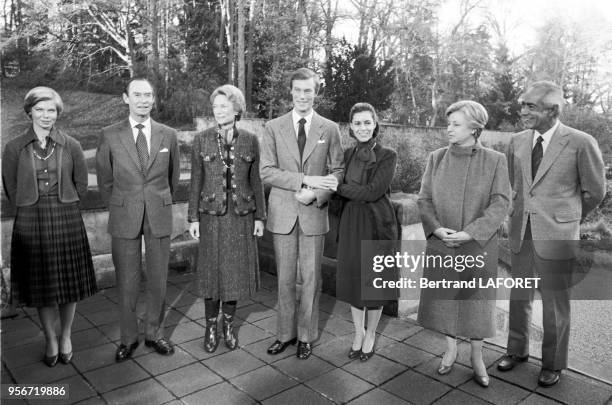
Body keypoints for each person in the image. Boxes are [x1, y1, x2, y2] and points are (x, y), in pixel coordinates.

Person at [498, 81, 606, 387]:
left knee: (555, 302)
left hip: (558, 234)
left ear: (552, 109)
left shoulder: (581, 142)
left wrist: (567, 219)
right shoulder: (516, 141)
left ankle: (553, 363)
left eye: (530, 106)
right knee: (519, 295)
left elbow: (595, 191)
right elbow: (512, 185)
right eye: (522, 105)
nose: (523, 111)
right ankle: (516, 351)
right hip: (521, 231)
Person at [417, 100, 511, 387]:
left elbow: (501, 202)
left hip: (477, 245)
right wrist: (436, 229)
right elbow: (424, 199)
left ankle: (477, 356)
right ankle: (450, 349)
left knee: (476, 304)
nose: (449, 129)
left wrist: (472, 232)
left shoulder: (495, 160)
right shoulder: (436, 158)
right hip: (442, 243)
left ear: (475, 128)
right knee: (444, 301)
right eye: (449, 124)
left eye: (456, 124)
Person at [2, 87, 98, 367]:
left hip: (65, 217)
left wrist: (65, 202)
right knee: (42, 286)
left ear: (58, 113)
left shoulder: (72, 145)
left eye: (52, 110)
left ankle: (66, 336)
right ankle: (50, 340)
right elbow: (11, 187)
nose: (46, 116)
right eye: (40, 110)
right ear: (29, 111)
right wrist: (32, 203)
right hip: (31, 219)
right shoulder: (14, 147)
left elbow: (81, 183)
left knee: (68, 285)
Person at [260, 68, 344, 360]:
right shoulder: (273, 126)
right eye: (298, 90)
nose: (303, 96)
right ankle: (285, 335)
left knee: (311, 278)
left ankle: (306, 336)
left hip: (313, 214)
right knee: (283, 279)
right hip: (283, 213)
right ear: (291, 91)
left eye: (308, 90)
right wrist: (305, 181)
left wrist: (317, 194)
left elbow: (337, 171)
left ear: (315, 92)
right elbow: (267, 171)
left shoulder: (329, 128)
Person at [96, 77, 180, 362]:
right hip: (124, 214)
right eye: (137, 95)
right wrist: (124, 203)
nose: (143, 100)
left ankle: (155, 334)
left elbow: (173, 176)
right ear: (125, 98)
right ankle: (128, 339)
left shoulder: (168, 134)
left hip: (158, 212)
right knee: (127, 281)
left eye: (148, 95)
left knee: (158, 279)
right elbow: (106, 180)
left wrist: (155, 199)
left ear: (153, 99)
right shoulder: (109, 134)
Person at [187, 85, 266, 353]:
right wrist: (193, 218)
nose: (219, 111)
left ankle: (228, 326)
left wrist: (260, 217)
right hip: (210, 216)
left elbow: (255, 181)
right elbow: (196, 181)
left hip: (241, 216)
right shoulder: (202, 139)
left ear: (236, 109)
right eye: (215, 107)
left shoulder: (250, 140)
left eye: (224, 106)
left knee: (233, 274)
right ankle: (210, 327)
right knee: (211, 274)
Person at [335, 102, 399, 362]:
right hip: (351, 221)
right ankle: (358, 333)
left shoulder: (388, 155)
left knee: (375, 282)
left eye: (367, 122)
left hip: (376, 223)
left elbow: (373, 191)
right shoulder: (347, 155)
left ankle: (371, 334)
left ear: (375, 125)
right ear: (351, 127)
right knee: (353, 280)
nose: (363, 127)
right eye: (357, 123)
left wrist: (337, 188)